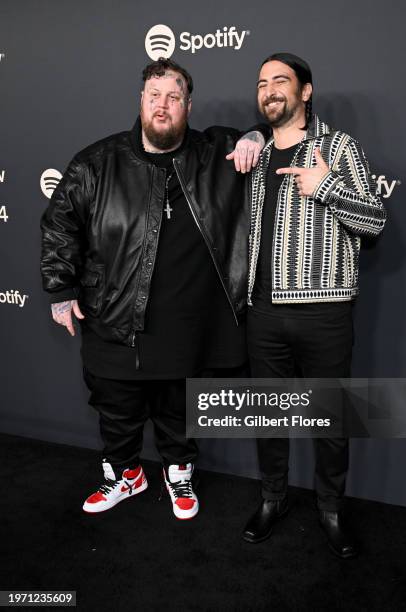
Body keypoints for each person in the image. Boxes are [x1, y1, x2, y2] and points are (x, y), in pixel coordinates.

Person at [40, 58, 267, 520]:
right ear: (140, 101)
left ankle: (179, 471)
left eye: (174, 97)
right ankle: (125, 473)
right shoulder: (96, 163)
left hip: (188, 319)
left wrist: (256, 136)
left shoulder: (215, 150)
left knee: (178, 406)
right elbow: (60, 224)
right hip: (115, 313)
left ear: (188, 104)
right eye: (154, 96)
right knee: (115, 406)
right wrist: (61, 288)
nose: (162, 106)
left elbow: (266, 126)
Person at [242, 53, 387, 557]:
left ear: (305, 91)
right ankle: (273, 498)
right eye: (262, 83)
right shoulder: (255, 153)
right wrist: (250, 136)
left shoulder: (340, 147)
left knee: (330, 420)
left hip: (325, 314)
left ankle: (330, 508)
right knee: (268, 417)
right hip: (261, 313)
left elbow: (375, 222)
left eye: (280, 81)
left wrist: (324, 187)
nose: (269, 90)